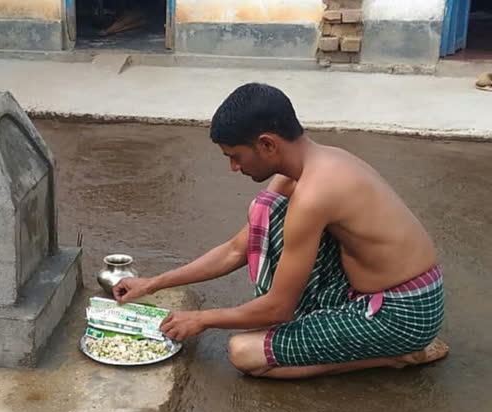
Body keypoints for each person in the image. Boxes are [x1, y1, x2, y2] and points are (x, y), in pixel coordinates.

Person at [112, 83, 448, 379]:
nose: (234, 167)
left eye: (236, 156)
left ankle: (396, 355)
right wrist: (153, 283)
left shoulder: (315, 192)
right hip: (371, 288)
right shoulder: (311, 163)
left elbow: (279, 309)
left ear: (267, 144)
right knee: (267, 210)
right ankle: (370, 342)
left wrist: (202, 319)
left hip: (403, 312)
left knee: (244, 352)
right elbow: (236, 249)